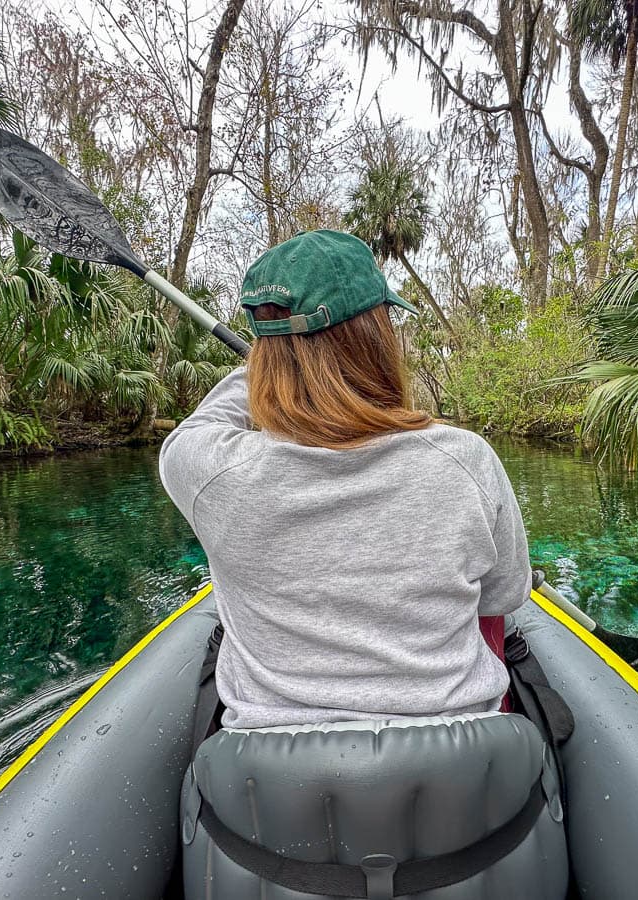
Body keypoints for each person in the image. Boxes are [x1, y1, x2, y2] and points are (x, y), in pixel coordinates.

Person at [159, 229, 533, 729]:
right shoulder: (466, 460)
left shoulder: (212, 470)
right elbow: (504, 597)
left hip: (269, 783)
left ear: (264, 355)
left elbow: (201, 425)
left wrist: (264, 365)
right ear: (378, 340)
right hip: (460, 764)